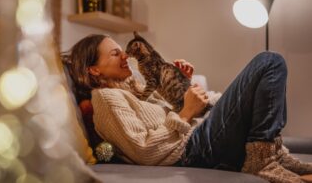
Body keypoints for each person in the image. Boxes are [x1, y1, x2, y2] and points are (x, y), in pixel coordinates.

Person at [63, 34, 312, 183]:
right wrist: (185, 114)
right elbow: (143, 151)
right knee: (268, 62)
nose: (126, 56)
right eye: (115, 54)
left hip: (199, 134)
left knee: (265, 73)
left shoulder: (137, 90)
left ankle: (270, 154)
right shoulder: (106, 99)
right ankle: (262, 159)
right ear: (94, 69)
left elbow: (184, 111)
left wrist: (184, 86)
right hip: (191, 150)